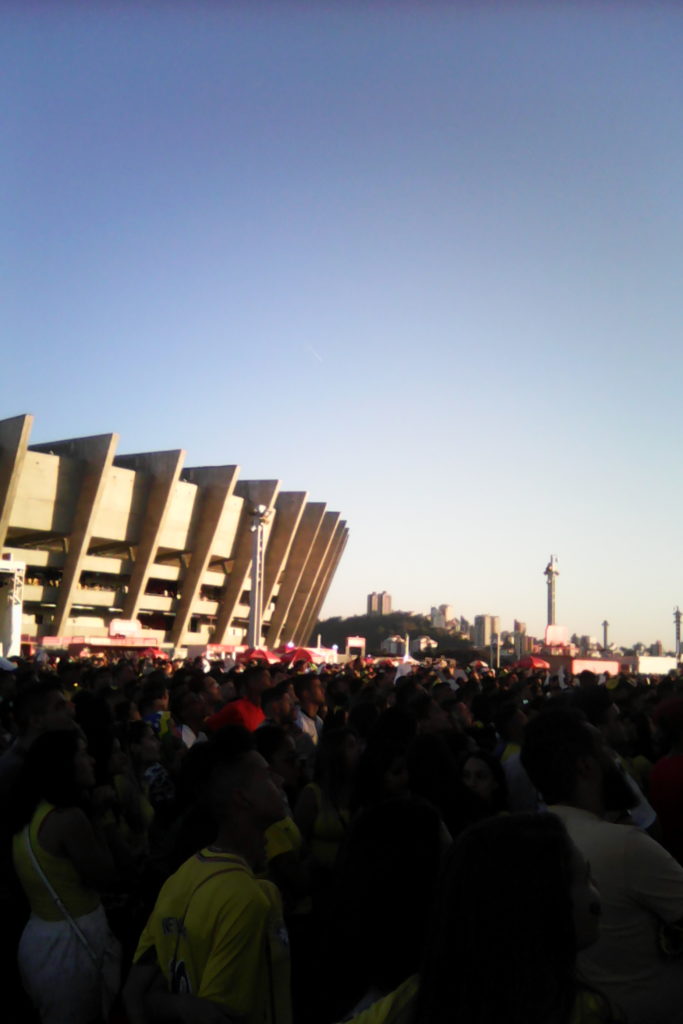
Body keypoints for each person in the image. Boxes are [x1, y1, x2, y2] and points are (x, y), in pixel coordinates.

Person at [522, 707, 683, 1024]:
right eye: (604, 750)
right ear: (585, 767)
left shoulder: (527, 839)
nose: (614, 760)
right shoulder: (625, 846)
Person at [124, 725, 291, 1024]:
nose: (280, 780)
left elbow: (136, 993)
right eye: (267, 775)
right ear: (243, 798)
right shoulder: (246, 898)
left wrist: (175, 1005)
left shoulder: (180, 879)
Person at [415, 813, 609, 1024]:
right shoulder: (584, 1012)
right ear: (547, 903)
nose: (596, 886)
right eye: (586, 877)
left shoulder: (413, 1003)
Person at [11, 729, 121, 1024]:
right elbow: (107, 876)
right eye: (82, 754)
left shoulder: (31, 814)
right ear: (64, 764)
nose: (91, 761)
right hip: (71, 949)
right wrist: (100, 816)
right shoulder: (69, 819)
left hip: (41, 941)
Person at [204, 666, 272, 733]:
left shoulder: (264, 711)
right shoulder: (237, 708)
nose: (270, 682)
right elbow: (209, 725)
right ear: (253, 682)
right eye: (266, 677)